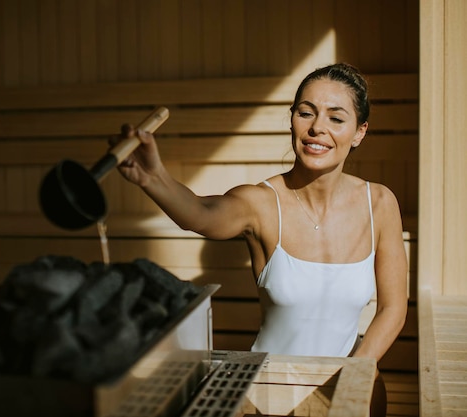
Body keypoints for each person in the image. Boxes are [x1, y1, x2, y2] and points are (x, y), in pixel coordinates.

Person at [111, 63, 407, 417]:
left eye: (336, 118)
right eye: (306, 113)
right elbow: (201, 215)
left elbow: (393, 308)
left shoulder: (379, 204)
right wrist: (153, 177)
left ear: (359, 132)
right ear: (292, 119)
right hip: (269, 393)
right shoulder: (262, 203)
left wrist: (353, 377)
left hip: (350, 382)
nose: (317, 128)